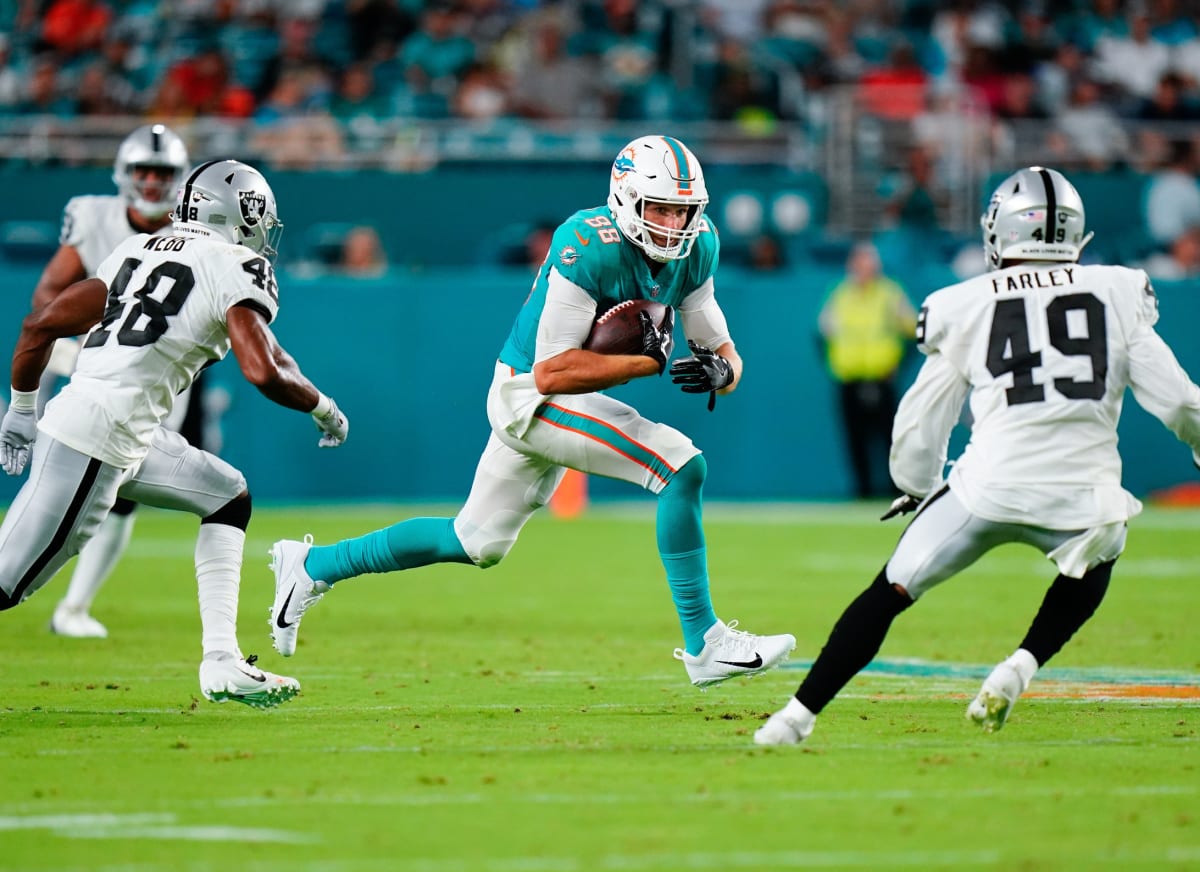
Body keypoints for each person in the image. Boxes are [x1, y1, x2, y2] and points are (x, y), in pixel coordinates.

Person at [268, 134, 796, 687]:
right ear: (626, 198)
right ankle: (705, 642)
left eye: (684, 211)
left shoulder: (698, 246)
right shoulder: (585, 245)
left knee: (475, 542)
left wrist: (723, 372)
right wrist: (643, 363)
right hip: (531, 396)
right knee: (682, 468)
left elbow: (720, 344)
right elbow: (552, 372)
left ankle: (312, 566)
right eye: (660, 207)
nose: (673, 224)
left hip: (556, 396)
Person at [756, 166, 1200, 746]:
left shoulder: (966, 302)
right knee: (1100, 553)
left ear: (1005, 232)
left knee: (891, 589)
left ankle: (795, 717)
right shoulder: (1116, 292)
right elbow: (1179, 400)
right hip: (1081, 494)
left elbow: (921, 418)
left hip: (987, 486)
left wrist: (916, 484)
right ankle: (1021, 664)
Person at [0, 159, 350, 708]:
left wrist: (22, 406)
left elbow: (40, 324)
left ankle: (222, 662)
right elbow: (261, 368)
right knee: (4, 585)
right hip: (98, 442)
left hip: (110, 427)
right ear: (241, 213)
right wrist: (323, 406)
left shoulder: (139, 248)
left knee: (227, 495)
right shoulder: (234, 264)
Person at [32, 123, 193, 639]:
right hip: (96, 370)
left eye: (162, 172)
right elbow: (49, 296)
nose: (151, 181)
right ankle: (56, 598)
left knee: (124, 490)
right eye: (143, 170)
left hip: (162, 377)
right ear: (125, 173)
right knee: (61, 477)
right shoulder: (94, 215)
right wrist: (72, 349)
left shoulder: (199, 229)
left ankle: (74, 607)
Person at [818, 242, 916, 499]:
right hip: (849, 379)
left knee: (889, 440)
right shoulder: (840, 295)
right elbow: (823, 334)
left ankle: (896, 491)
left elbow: (912, 331)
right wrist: (836, 366)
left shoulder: (890, 294)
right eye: (858, 263)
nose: (863, 269)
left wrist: (896, 366)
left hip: (881, 378)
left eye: (868, 263)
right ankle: (862, 492)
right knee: (855, 441)